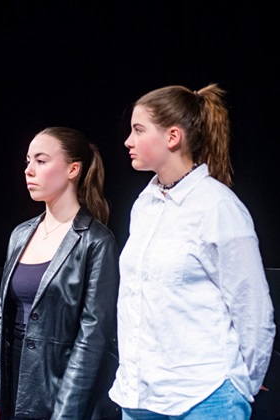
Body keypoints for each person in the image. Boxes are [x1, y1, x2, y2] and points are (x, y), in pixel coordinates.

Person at [109, 84, 276, 419]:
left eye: (138, 130)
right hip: (140, 397)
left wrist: (242, 383)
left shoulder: (217, 207)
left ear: (173, 137)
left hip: (204, 396)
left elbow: (253, 309)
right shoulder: (145, 204)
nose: (128, 141)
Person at [0, 127, 120, 420]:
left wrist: (66, 411)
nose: (29, 170)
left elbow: (93, 336)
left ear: (73, 169)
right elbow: (3, 317)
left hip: (62, 386)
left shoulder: (96, 241)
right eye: (28, 161)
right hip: (14, 382)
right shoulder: (21, 234)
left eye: (41, 161)